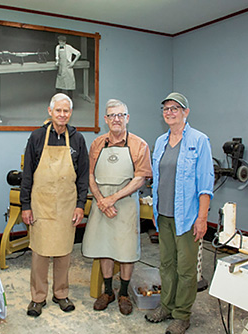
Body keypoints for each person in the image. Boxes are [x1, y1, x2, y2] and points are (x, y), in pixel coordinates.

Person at [145, 92, 214, 334]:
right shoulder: (161, 141)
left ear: (186, 112)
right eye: (166, 108)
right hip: (163, 215)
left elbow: (206, 183)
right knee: (166, 264)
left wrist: (202, 218)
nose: (170, 112)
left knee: (186, 269)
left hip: (188, 217)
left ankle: (182, 315)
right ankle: (167, 306)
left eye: (175, 108)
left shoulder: (199, 140)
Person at [20, 93, 89, 317]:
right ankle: (37, 297)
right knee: (40, 253)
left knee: (63, 253)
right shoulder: (37, 137)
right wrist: (25, 205)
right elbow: (27, 173)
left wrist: (80, 205)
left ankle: (61, 293)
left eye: (66, 111)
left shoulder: (77, 139)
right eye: (58, 110)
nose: (62, 115)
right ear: (50, 112)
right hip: (41, 205)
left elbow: (82, 176)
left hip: (67, 205)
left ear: (70, 113)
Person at [82, 99, 152, 315]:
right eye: (112, 115)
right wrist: (101, 201)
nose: (116, 119)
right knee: (104, 247)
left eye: (121, 115)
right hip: (101, 203)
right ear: (106, 119)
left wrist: (112, 199)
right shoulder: (97, 144)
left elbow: (140, 178)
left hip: (125, 205)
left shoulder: (139, 145)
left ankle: (123, 293)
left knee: (126, 250)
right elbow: (91, 175)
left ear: (127, 118)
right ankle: (108, 292)